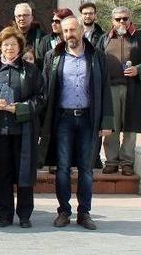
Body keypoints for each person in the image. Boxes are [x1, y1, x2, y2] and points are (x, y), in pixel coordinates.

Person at [38, 17, 112, 230]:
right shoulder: (53, 57)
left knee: (86, 169)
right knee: (62, 168)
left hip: (89, 120)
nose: (69, 34)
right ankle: (63, 211)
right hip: (63, 120)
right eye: (65, 31)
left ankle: (84, 213)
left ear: (81, 31)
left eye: (73, 30)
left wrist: (106, 121)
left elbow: (105, 89)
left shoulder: (97, 57)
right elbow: (45, 91)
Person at [0, 26, 45, 228]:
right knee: (2, 174)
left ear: (20, 47)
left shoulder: (31, 70)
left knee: (23, 173)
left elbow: (41, 98)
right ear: (0, 47)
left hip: (24, 130)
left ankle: (24, 215)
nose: (9, 48)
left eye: (13, 44)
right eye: (6, 44)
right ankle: (4, 215)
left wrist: (21, 108)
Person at [98, 6, 141, 176]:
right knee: (111, 126)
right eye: (118, 19)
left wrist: (138, 69)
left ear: (130, 19)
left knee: (130, 127)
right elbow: (97, 62)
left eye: (125, 18)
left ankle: (127, 163)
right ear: (112, 21)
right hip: (110, 89)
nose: (121, 22)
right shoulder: (105, 39)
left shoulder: (139, 37)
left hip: (133, 89)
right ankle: (111, 161)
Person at [13, 3, 45, 69]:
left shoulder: (41, 36)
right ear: (15, 18)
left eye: (25, 15)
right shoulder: (10, 35)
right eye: (19, 16)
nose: (22, 18)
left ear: (31, 18)